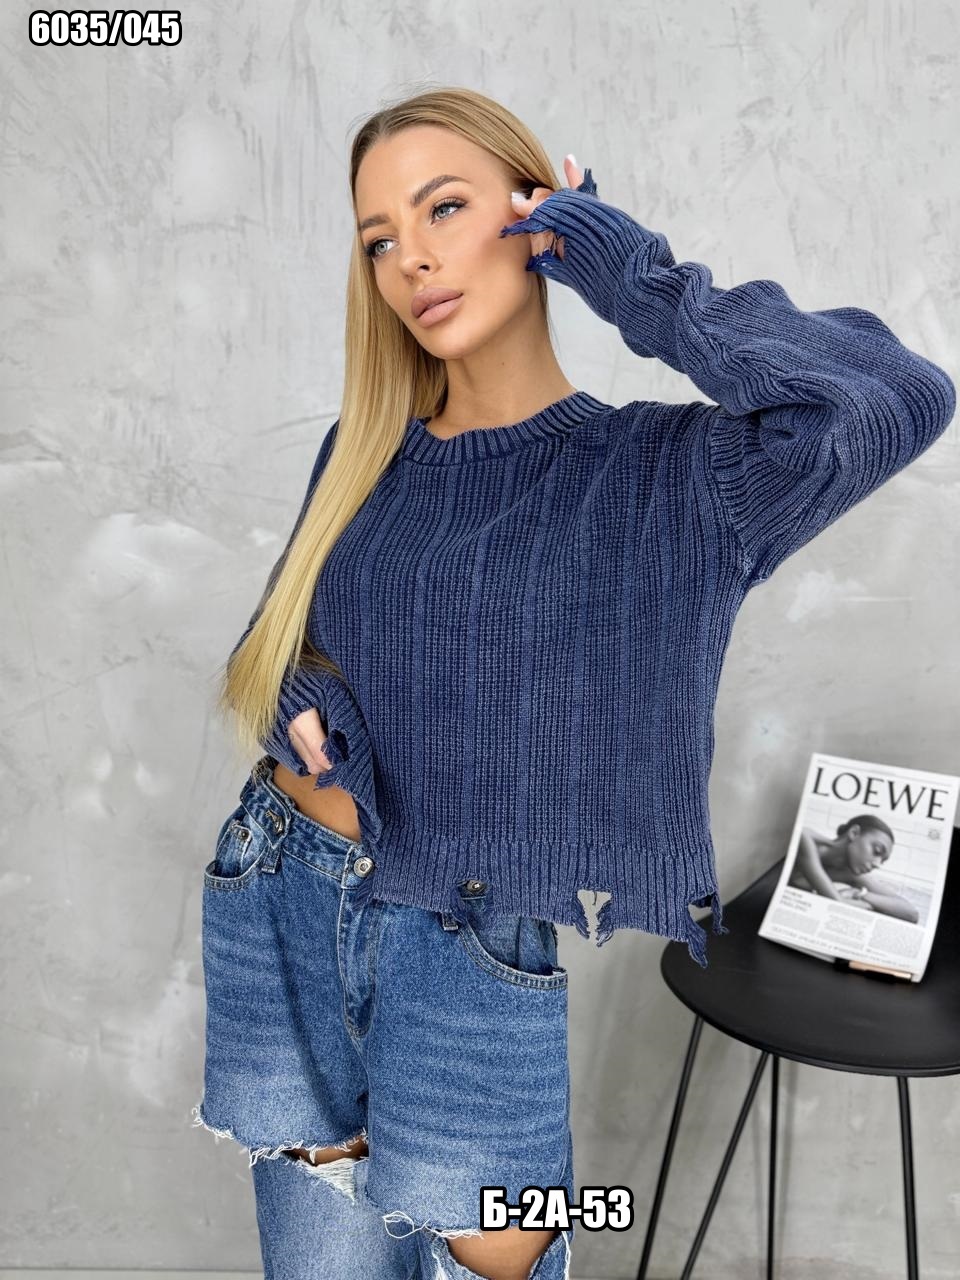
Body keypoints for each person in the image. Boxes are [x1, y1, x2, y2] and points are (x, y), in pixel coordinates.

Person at [192, 86, 955, 1280]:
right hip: (281, 889)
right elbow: (275, 644)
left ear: (535, 209)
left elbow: (891, 398)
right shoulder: (362, 450)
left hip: (465, 946)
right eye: (380, 238)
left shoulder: (667, 476)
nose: (412, 259)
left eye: (445, 208)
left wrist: (632, 273)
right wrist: (300, 696)